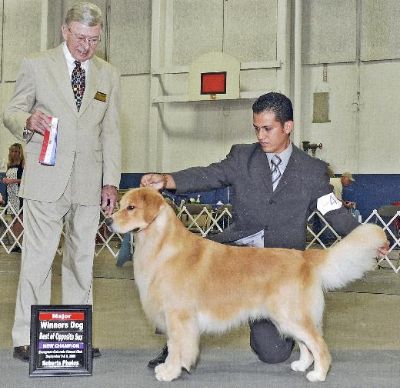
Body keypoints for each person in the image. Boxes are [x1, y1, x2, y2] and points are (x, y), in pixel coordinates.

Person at [140, 92, 364, 369]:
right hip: (233, 256)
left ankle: (285, 324)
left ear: (288, 127)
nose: (261, 135)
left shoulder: (312, 170)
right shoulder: (241, 157)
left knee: (273, 353)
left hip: (275, 270)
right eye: (256, 128)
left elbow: (334, 212)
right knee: (179, 281)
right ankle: (174, 349)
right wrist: (168, 179)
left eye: (267, 128)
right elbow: (208, 175)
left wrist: (363, 238)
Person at [3, 2, 121, 362]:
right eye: (82, 38)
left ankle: (78, 336)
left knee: (82, 260)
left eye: (94, 40)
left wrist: (111, 182)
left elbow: (111, 133)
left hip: (88, 182)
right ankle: (26, 336)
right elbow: (11, 110)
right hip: (45, 179)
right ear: (65, 31)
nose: (87, 46)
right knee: (37, 260)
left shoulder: (108, 74)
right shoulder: (36, 65)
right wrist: (28, 120)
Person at [2, 143, 25, 253]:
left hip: (19, 195)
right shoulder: (9, 164)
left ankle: (22, 244)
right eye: (12, 151)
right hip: (10, 195)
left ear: (20, 153)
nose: (14, 153)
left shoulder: (23, 164)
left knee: (20, 220)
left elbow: (25, 181)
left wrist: (12, 181)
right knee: (14, 221)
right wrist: (5, 180)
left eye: (16, 151)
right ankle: (17, 243)